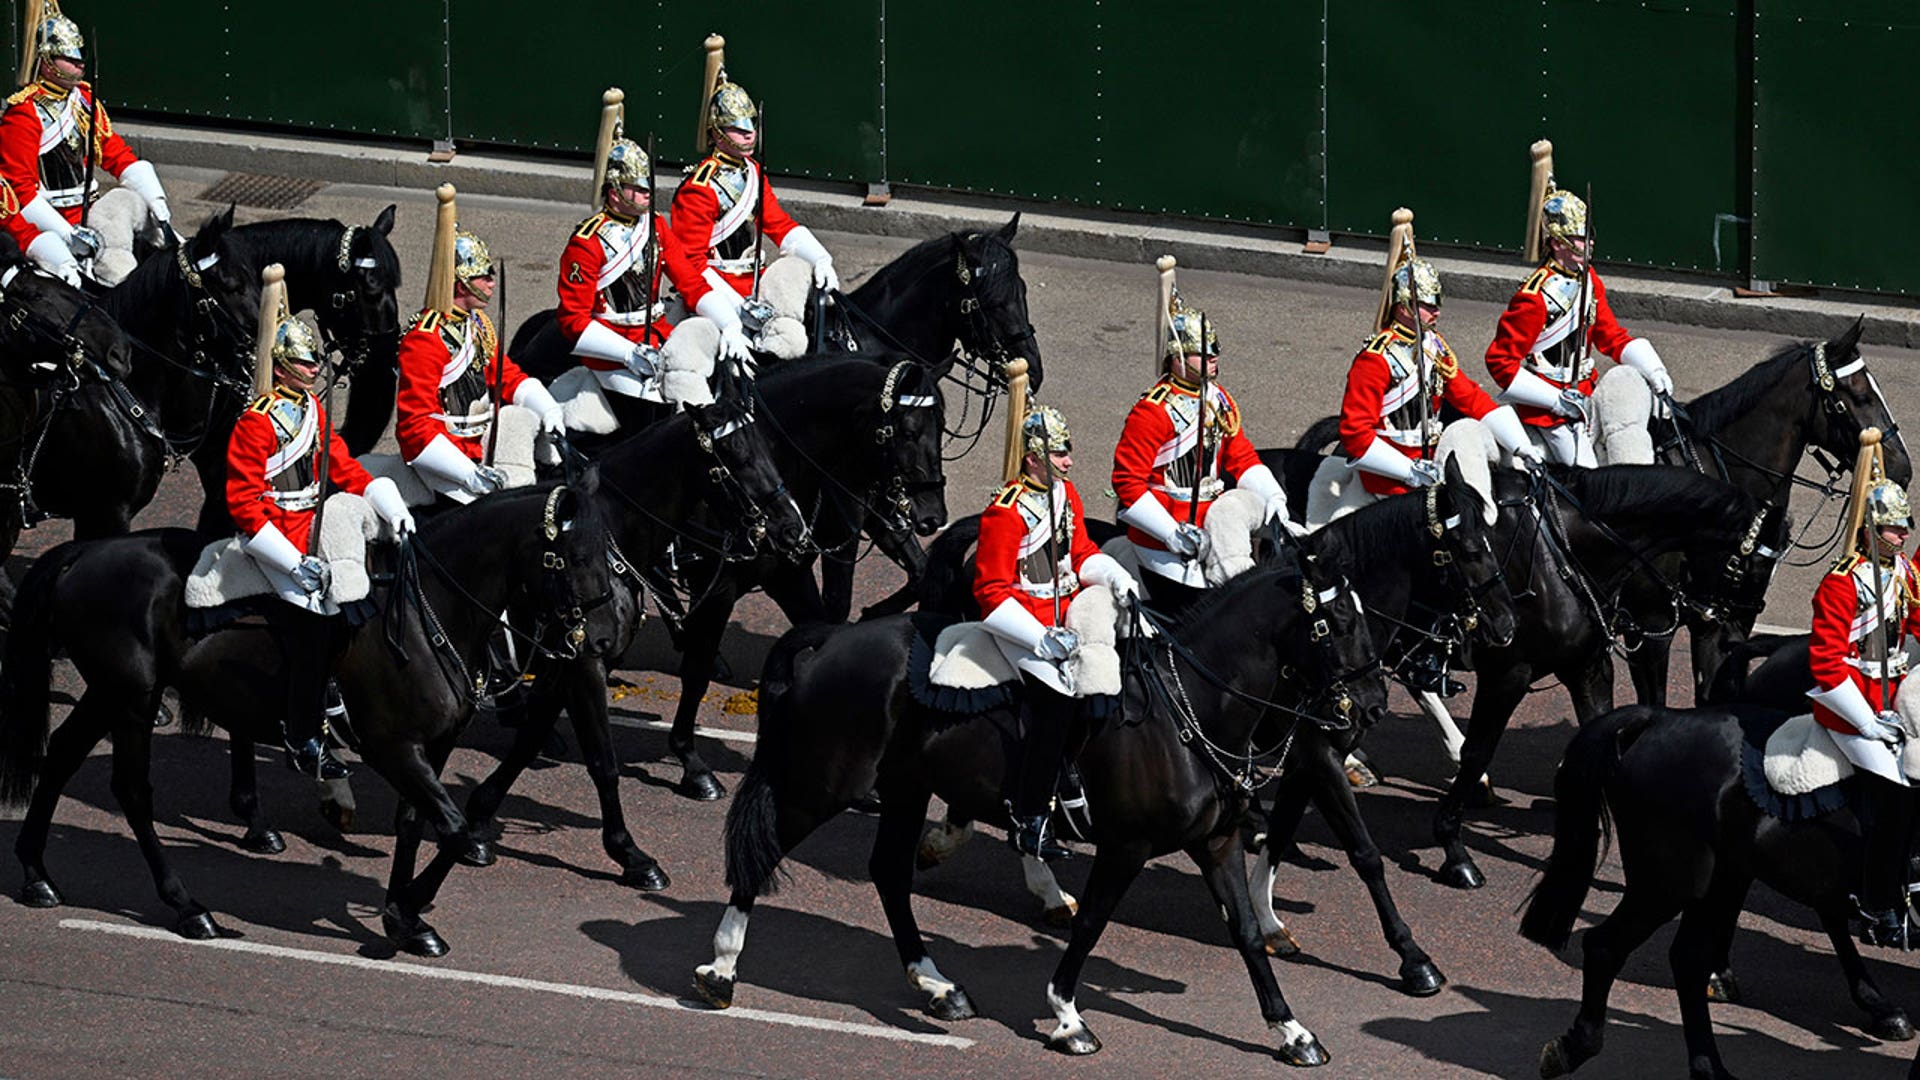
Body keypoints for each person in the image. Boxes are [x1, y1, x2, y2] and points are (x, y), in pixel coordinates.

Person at [228, 304, 413, 779]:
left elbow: (344, 468)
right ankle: (301, 735)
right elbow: (244, 501)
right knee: (313, 626)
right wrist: (291, 562)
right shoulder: (256, 420)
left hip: (312, 524)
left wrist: (387, 503)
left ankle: (339, 694)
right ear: (284, 364)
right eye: (308, 364)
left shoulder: (311, 407)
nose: (315, 371)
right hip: (271, 533)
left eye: (316, 364)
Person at [976, 406, 1139, 861]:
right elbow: (991, 590)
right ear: (1033, 458)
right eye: (1059, 454)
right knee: (1056, 703)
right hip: (1021, 622)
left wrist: (1115, 576)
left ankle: (1075, 770)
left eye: (1067, 454)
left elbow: (1081, 551)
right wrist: (1038, 638)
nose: (1068, 462)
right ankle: (1029, 818)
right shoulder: (1004, 512)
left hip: (1063, 611)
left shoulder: (1065, 494)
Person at [1483, 141, 1671, 467]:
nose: (1591, 242)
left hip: (1587, 390)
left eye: (1590, 234)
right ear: (1557, 244)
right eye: (1581, 237)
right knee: (1589, 476)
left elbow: (1610, 336)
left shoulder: (1589, 279)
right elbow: (1500, 362)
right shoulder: (1533, 298)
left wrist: (1653, 370)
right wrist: (1556, 401)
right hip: (1549, 412)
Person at [1112, 288, 1298, 616]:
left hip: (1216, 523)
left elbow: (1240, 457)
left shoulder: (1217, 397)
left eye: (1215, 352)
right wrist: (1171, 535)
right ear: (1177, 357)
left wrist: (1274, 500)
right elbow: (1128, 484)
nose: (1213, 358)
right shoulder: (1151, 412)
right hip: (1166, 536)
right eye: (1203, 353)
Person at [666, 37, 837, 368]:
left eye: (750, 125)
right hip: (716, 292)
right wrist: (734, 308)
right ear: (717, 134)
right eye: (736, 127)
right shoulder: (698, 189)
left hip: (757, 282)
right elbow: (692, 265)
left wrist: (819, 259)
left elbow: (778, 224)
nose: (748, 134)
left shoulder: (753, 172)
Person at [1808, 473, 1920, 947]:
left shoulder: (1905, 574)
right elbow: (1826, 664)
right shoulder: (1841, 581)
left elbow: (1916, 623)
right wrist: (1866, 720)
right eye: (1895, 529)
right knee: (1895, 801)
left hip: (1891, 694)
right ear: (1872, 530)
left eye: (1905, 526)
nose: (1905, 534)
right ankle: (1876, 904)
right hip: (1851, 706)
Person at [1341, 254, 1541, 498]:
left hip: (1433, 464)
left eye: (1437, 302)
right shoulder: (1375, 360)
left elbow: (1470, 398)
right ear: (1404, 307)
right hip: (1390, 478)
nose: (1437, 311)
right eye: (1428, 305)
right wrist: (1408, 470)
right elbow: (1355, 434)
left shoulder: (1433, 346)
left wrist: (1521, 446)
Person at [1, 1, 171, 284]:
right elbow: (19, 190)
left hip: (89, 210)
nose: (79, 63)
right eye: (69, 57)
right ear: (46, 60)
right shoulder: (24, 113)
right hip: (52, 221)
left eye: (80, 55)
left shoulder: (83, 100)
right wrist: (67, 234)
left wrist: (155, 198)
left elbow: (114, 153)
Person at [398, 223, 562, 503]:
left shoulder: (478, 325)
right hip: (446, 457)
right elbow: (415, 426)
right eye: (484, 277)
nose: (491, 283)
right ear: (462, 284)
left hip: (482, 442)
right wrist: (467, 473)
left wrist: (548, 409)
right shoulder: (424, 339)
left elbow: (506, 376)